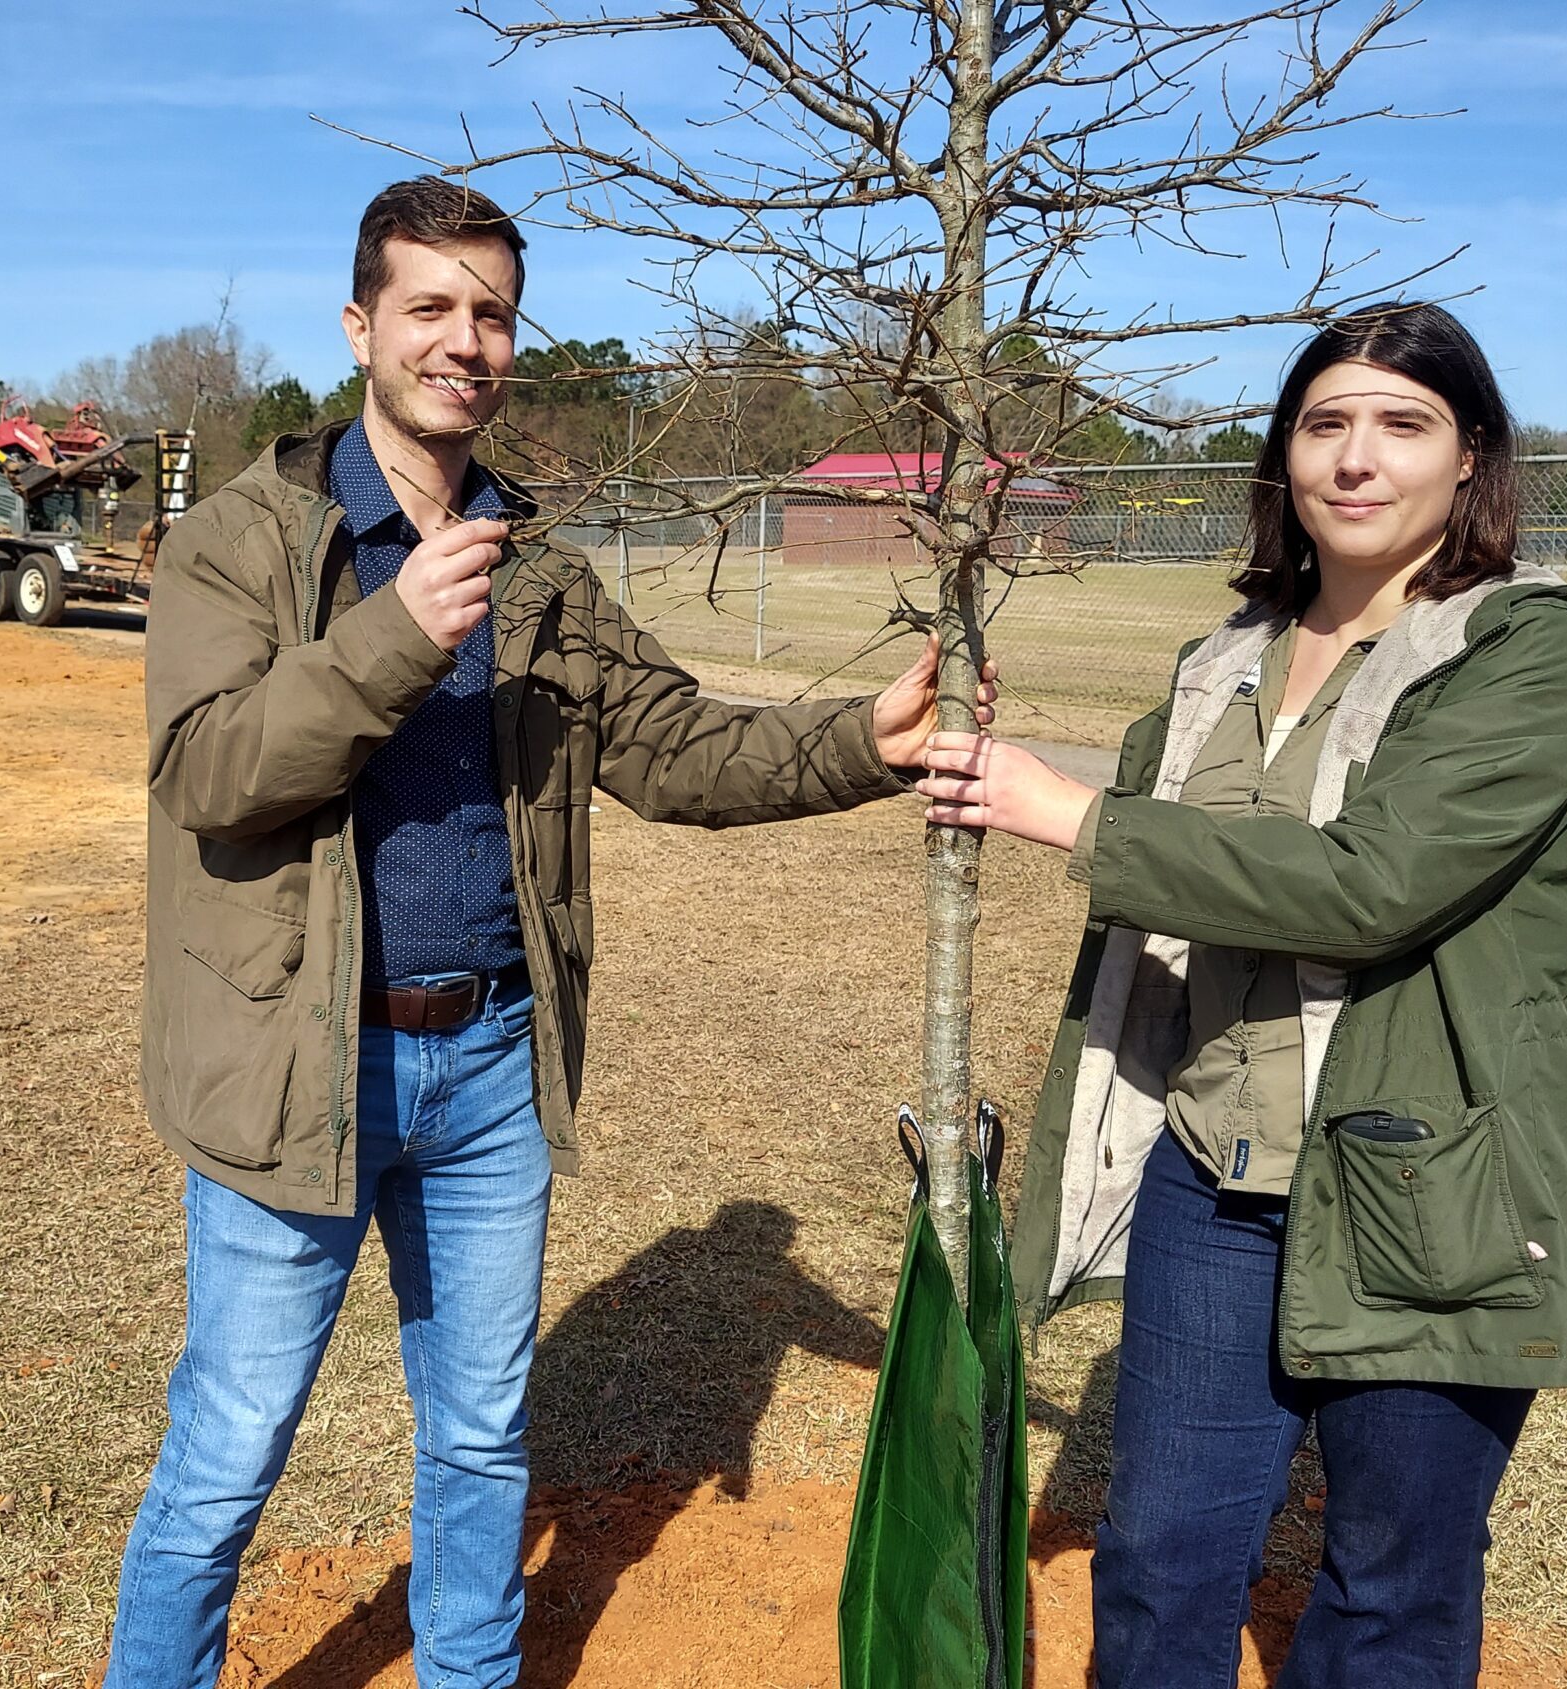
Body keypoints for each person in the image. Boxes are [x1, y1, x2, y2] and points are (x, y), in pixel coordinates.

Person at [107, 177, 991, 1689]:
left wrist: (865, 739)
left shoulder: (544, 569)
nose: (468, 340)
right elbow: (211, 774)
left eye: (494, 312)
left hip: (493, 1068)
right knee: (229, 1451)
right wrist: (391, 637)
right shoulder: (241, 545)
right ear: (362, 326)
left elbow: (672, 750)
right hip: (293, 1071)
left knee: (477, 1435)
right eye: (433, 307)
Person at [916, 302, 1567, 1688]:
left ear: (1470, 458)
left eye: (1403, 425)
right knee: (1161, 1563)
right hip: (1215, 1182)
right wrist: (979, 739)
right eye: (1324, 423)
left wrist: (1073, 817)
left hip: (1434, 1194)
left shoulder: (1528, 652)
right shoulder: (1220, 662)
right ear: (1283, 456)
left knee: (1388, 1595)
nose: (1358, 459)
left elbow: (1373, 883)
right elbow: (1164, 843)